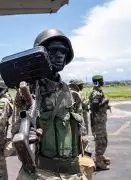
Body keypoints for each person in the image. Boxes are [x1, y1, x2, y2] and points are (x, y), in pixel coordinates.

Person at [14, 29, 87, 180]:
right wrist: (27, 135)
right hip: (39, 174)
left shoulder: (73, 95)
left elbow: (81, 134)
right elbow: (16, 134)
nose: (60, 55)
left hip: (71, 174)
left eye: (64, 51)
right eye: (54, 50)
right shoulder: (29, 93)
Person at [88, 75, 111, 170]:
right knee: (101, 140)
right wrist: (105, 102)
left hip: (99, 120)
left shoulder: (97, 91)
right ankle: (98, 161)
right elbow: (94, 107)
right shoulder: (96, 93)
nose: (103, 82)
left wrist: (106, 106)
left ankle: (100, 156)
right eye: (101, 80)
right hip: (98, 121)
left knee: (103, 139)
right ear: (97, 81)